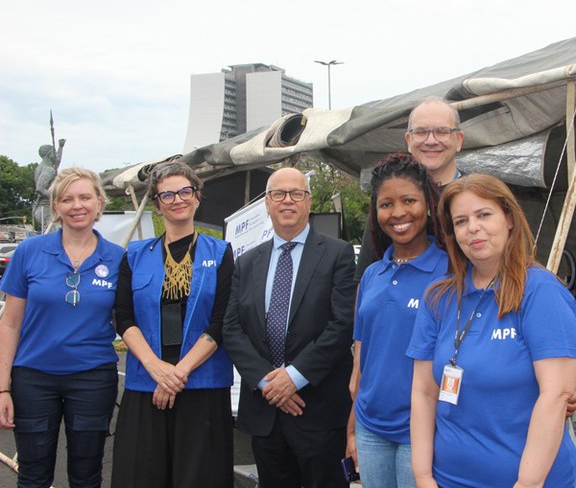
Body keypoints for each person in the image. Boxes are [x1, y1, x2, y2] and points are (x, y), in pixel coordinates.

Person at [408, 173, 576, 488]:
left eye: (484, 215)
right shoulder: (438, 298)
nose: (472, 227)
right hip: (448, 480)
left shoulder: (541, 293)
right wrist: (422, 476)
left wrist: (527, 483)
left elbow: (556, 396)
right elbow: (423, 391)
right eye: (460, 221)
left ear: (510, 219)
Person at [223, 167, 356, 488]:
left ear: (308, 202)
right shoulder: (246, 261)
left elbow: (342, 325)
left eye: (297, 193)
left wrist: (294, 378)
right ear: (266, 203)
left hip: (319, 410)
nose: (287, 201)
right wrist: (270, 384)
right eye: (278, 194)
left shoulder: (337, 253)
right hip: (266, 411)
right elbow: (231, 328)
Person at [111, 161, 234, 488]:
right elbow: (123, 317)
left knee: (200, 477)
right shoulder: (134, 255)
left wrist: (177, 374)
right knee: (142, 475)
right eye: (167, 194)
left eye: (185, 191)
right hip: (145, 384)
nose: (177, 199)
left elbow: (222, 320)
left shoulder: (221, 253)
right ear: (156, 203)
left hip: (202, 384)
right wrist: (157, 370)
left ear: (197, 196)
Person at [0, 167, 123, 488]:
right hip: (33, 379)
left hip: (93, 379)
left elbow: (129, 322)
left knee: (87, 472)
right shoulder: (29, 251)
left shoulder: (119, 259)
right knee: (33, 472)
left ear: (99, 202)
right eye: (66, 199)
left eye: (84, 197)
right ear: (56, 207)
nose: (76, 205)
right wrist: (2, 387)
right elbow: (10, 323)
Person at [346, 153, 447, 487]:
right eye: (386, 204)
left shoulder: (449, 273)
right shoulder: (372, 275)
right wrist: (352, 428)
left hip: (423, 430)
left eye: (409, 200)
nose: (399, 213)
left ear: (428, 205)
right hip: (370, 429)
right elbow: (360, 366)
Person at [355, 97, 464, 282]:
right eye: (421, 132)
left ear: (459, 139)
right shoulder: (387, 197)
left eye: (442, 131)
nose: (431, 141)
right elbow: (365, 275)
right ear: (408, 139)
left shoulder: (476, 195)